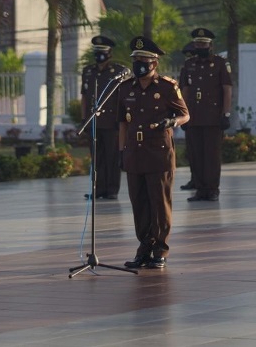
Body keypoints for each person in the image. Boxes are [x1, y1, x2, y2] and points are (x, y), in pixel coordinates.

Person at [118, 36, 190, 269]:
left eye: (144, 60)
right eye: (136, 59)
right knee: (139, 204)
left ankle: (160, 250)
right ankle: (144, 247)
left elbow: (185, 114)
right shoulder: (125, 88)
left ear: (154, 64)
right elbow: (123, 123)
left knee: (159, 204)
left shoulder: (168, 87)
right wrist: (122, 151)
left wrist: (172, 122)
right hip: (134, 153)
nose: (139, 63)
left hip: (158, 153)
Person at [179, 28, 232, 201]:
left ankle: (212, 189)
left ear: (210, 45)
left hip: (213, 118)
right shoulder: (189, 65)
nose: (200, 46)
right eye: (197, 43)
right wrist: (183, 114)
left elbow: (227, 90)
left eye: (203, 43)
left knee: (212, 156)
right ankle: (200, 189)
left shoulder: (219, 63)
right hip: (193, 117)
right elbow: (184, 91)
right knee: (196, 155)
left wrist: (226, 113)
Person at [80, 36, 129, 200]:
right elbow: (84, 97)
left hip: (111, 122)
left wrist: (121, 120)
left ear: (110, 53)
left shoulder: (119, 72)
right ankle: (98, 189)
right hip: (93, 121)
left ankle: (112, 190)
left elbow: (123, 98)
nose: (99, 55)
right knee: (97, 158)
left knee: (112, 157)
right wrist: (83, 118)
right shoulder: (88, 71)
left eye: (103, 52)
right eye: (97, 52)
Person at [178, 41, 198, 191]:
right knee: (192, 151)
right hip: (189, 116)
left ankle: (204, 181)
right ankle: (194, 178)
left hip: (204, 116)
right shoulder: (186, 70)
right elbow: (182, 93)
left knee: (204, 152)